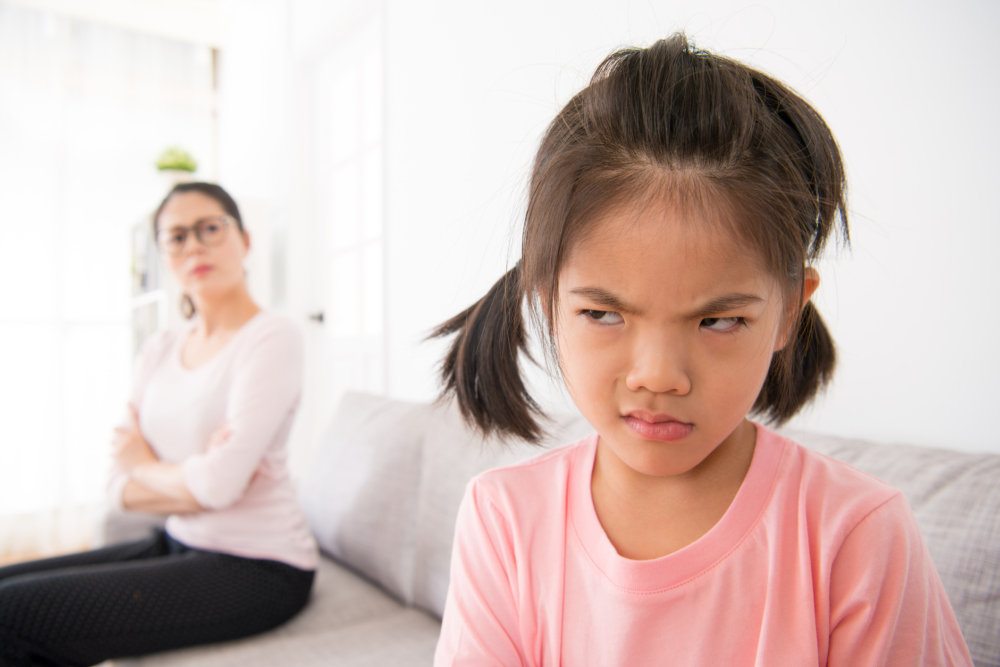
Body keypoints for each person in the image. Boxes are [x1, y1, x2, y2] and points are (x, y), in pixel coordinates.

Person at [431, 35, 972, 666]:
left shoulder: (855, 533)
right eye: (603, 314)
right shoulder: (504, 520)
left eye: (718, 320)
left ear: (790, 310)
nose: (658, 376)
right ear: (548, 301)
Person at [0, 182, 318, 666]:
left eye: (210, 228)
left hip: (261, 565)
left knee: (10, 616)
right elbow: (117, 483)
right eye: (176, 236)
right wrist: (197, 481)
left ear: (245, 240)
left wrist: (144, 463)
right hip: (179, 539)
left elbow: (213, 483)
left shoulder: (272, 337)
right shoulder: (160, 349)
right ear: (164, 253)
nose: (193, 245)